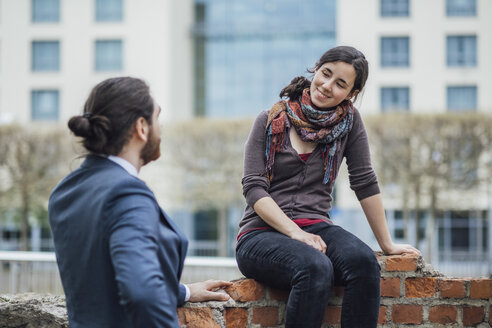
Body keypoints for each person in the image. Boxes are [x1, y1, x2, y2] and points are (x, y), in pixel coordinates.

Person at [235, 46, 420, 328]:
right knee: (315, 267)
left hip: (317, 227)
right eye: (326, 74)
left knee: (363, 262)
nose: (327, 86)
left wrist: (387, 244)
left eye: (340, 84)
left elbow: (364, 181)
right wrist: (295, 233)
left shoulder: (350, 124)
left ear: (352, 94)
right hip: (260, 234)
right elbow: (254, 188)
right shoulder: (271, 119)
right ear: (317, 69)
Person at [49, 77, 231, 328]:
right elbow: (142, 293)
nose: (162, 127)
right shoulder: (127, 192)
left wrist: (183, 292)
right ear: (142, 127)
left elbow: (101, 278)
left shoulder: (66, 190)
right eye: (158, 117)